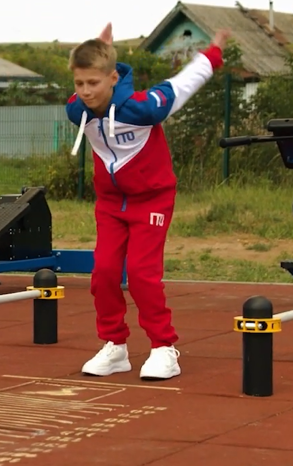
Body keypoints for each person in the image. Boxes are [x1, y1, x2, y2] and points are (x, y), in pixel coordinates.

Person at [64, 23, 231, 380]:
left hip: (151, 200)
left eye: (93, 84)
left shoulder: (143, 108)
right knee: (104, 273)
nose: (85, 92)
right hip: (110, 203)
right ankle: (115, 347)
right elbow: (88, 82)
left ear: (112, 78)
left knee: (141, 274)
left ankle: (163, 348)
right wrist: (100, 47)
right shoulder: (76, 111)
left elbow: (183, 84)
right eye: (79, 84)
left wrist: (213, 52)